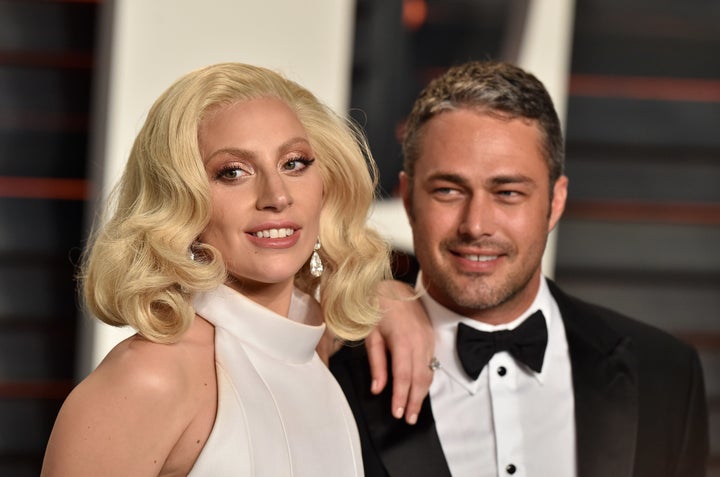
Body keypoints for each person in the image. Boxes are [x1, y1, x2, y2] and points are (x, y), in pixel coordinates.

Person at [330, 60, 709, 477]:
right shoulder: (335, 365)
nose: (476, 225)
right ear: (407, 199)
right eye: (448, 190)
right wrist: (360, 292)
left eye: (508, 192)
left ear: (555, 201)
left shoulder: (665, 374)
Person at [41, 62, 397, 476]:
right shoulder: (151, 377)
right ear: (181, 203)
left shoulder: (313, 347)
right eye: (232, 172)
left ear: (326, 185)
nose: (276, 196)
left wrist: (401, 301)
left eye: (294, 163)